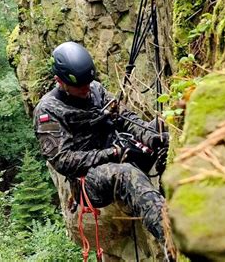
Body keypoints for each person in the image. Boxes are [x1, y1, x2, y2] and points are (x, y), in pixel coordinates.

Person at [33, 41, 169, 242]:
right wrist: (112, 153)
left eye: (88, 83)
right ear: (59, 81)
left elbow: (125, 118)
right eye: (79, 87)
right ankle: (170, 235)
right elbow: (63, 161)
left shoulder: (95, 89)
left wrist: (152, 137)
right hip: (88, 180)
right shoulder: (47, 111)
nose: (86, 89)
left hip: (118, 149)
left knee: (162, 124)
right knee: (125, 175)